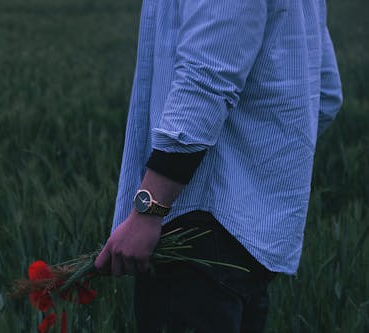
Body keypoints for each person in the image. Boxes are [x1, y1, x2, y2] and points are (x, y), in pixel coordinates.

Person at [94, 0, 343, 332]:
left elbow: (205, 79)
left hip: (194, 230)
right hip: (252, 236)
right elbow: (324, 94)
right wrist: (256, 176)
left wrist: (149, 208)